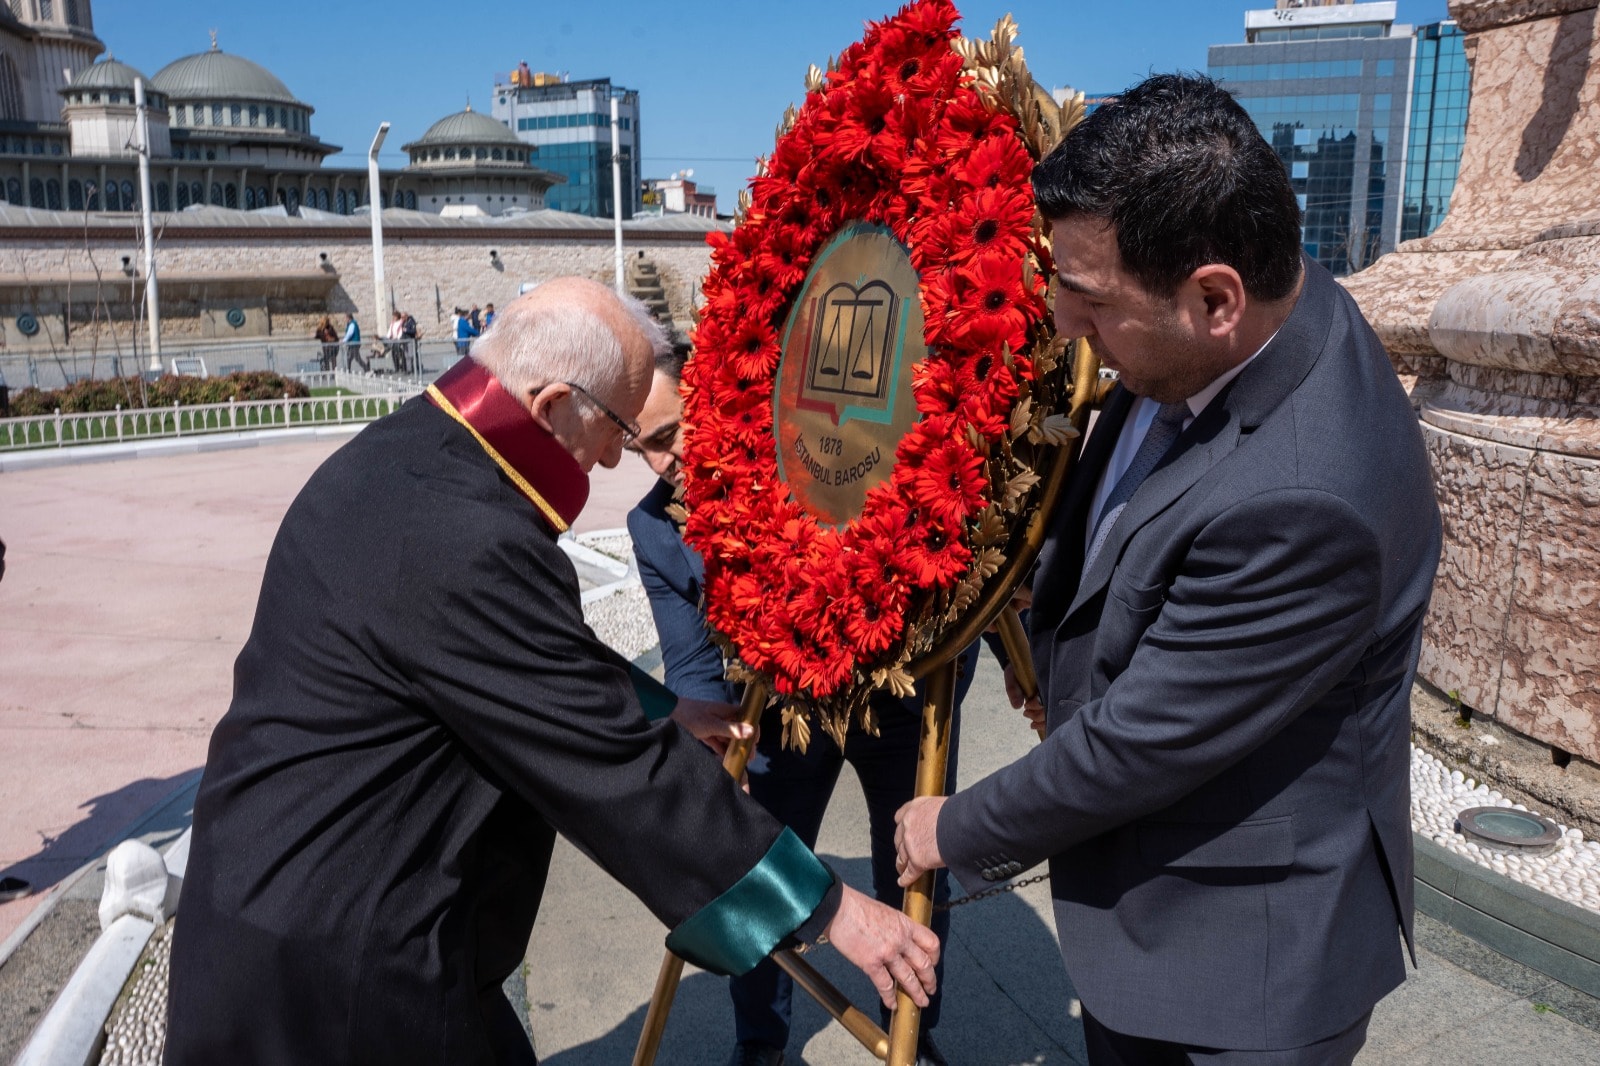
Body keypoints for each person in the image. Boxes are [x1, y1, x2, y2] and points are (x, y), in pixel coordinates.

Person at [164, 278, 939, 1066]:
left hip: (290, 922)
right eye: (615, 427)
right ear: (552, 402)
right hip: (337, 985)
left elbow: (495, 659)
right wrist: (829, 905)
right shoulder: (466, 535)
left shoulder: (409, 459)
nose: (614, 458)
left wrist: (658, 710)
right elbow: (619, 774)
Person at [894, 74, 1442, 1065]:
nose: (1063, 324)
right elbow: (1128, 513)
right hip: (1162, 908)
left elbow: (1136, 744)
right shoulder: (1237, 328)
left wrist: (956, 828)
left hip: (1239, 971)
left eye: (1090, 300)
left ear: (1214, 298)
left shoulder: (1304, 497)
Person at [626, 344, 975, 1066]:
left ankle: (912, 1032)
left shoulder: (815, 455)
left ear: (711, 400)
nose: (660, 464)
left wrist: (1013, 668)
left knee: (913, 872)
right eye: (640, 449)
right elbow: (691, 664)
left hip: (897, 704)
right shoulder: (656, 527)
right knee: (757, 877)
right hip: (775, 719)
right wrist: (719, 752)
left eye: (667, 436)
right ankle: (760, 1044)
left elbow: (957, 563)